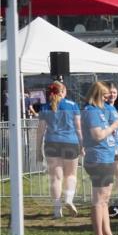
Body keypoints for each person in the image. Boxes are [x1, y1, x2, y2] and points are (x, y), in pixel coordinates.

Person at [80, 82, 118, 235]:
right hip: (98, 158)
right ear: (98, 94)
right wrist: (114, 126)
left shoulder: (99, 111)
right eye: (105, 95)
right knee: (99, 199)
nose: (108, 98)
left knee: (105, 199)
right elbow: (97, 135)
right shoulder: (91, 111)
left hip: (106, 157)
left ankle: (108, 233)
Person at [36, 80, 83, 218]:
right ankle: (68, 199)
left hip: (51, 143)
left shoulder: (45, 107)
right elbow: (79, 128)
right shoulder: (73, 105)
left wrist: (38, 150)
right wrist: (82, 145)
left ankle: (57, 209)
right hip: (70, 142)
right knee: (71, 175)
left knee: (55, 178)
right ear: (63, 91)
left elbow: (40, 131)